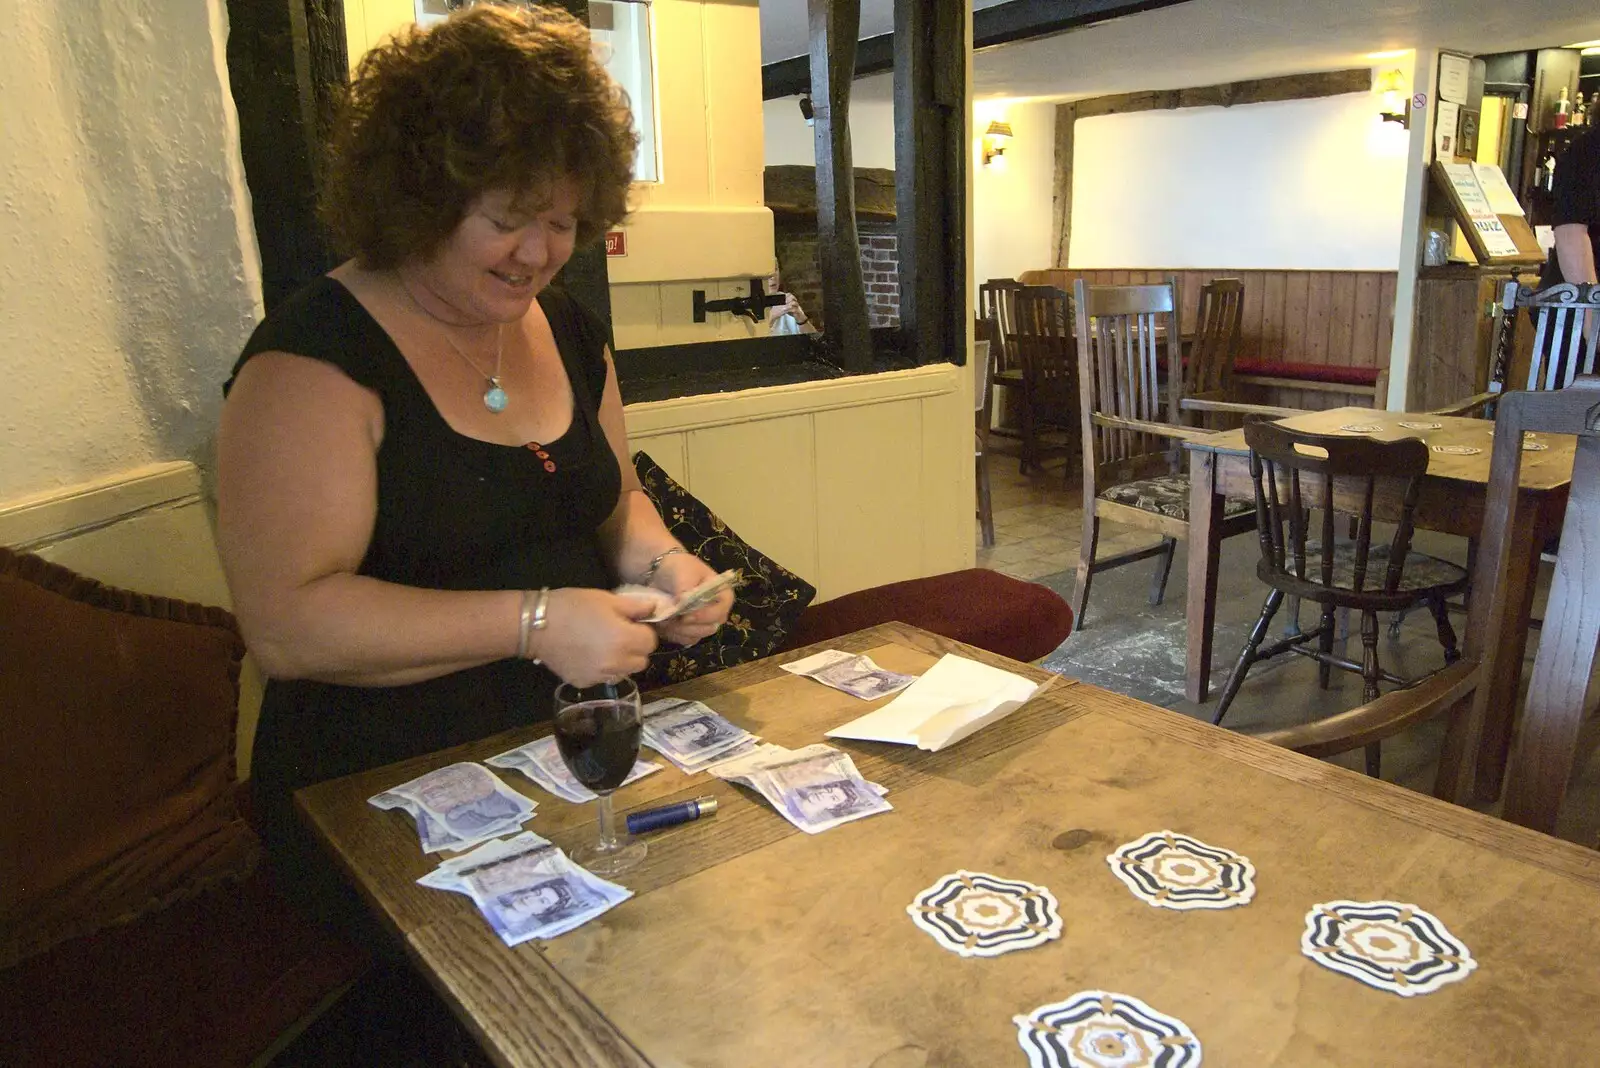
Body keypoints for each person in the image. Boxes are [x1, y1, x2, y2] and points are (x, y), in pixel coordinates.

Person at [215, 5, 732, 935]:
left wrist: (662, 568)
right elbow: (288, 625)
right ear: (419, 198)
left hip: (567, 746)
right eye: (506, 220)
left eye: (563, 222)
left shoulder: (569, 327)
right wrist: (536, 622)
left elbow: (614, 498)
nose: (538, 253)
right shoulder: (312, 360)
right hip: (380, 788)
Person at [1534, 124, 1599, 379]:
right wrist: (1593, 319)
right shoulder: (1587, 152)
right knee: (1574, 411)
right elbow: (1571, 234)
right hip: (1577, 313)